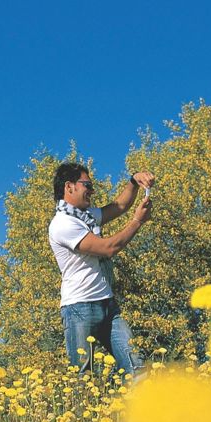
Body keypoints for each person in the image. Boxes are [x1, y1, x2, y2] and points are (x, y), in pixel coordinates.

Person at [47, 161, 154, 377]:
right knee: (83, 378)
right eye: (87, 185)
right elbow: (107, 248)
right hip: (79, 309)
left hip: (108, 306)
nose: (92, 191)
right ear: (70, 187)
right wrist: (137, 222)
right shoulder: (63, 224)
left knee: (137, 369)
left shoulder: (84, 216)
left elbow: (119, 206)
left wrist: (134, 180)